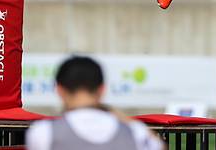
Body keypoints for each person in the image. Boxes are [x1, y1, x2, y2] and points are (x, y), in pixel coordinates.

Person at [26, 56, 165, 150]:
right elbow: (158, 146)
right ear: (102, 90)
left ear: (59, 90)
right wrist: (116, 113)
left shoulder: (43, 133)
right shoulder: (134, 132)